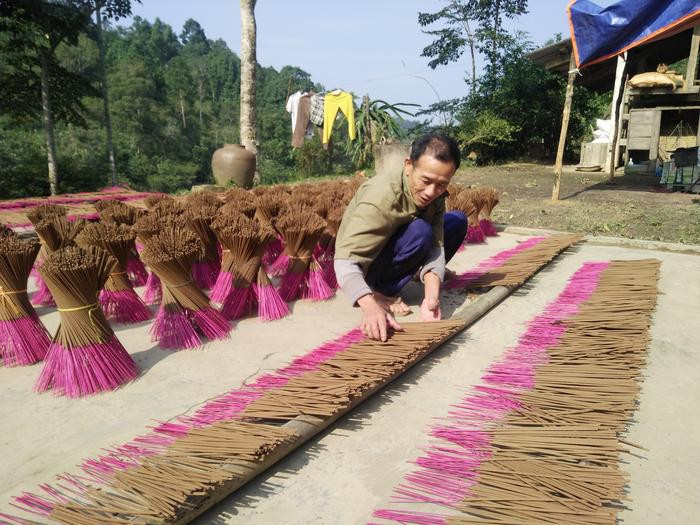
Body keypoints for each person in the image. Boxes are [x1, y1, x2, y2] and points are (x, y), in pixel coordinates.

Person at [334, 133, 467, 342]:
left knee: (457, 221)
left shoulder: (435, 194)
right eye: (426, 181)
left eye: (442, 184)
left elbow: (436, 245)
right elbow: (344, 262)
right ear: (408, 165)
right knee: (421, 231)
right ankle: (379, 290)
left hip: (402, 239)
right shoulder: (381, 197)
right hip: (369, 263)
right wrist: (369, 306)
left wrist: (431, 297)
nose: (431, 192)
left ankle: (417, 273)